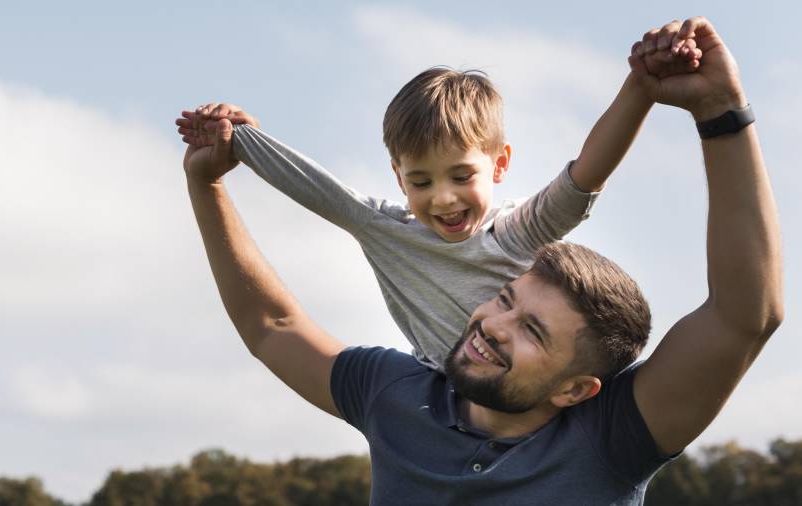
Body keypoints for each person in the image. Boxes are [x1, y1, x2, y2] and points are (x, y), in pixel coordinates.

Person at [183, 17, 783, 504]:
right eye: (504, 300)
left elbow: (743, 317)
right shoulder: (395, 397)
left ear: (577, 388)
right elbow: (273, 326)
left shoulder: (613, 438)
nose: (494, 325)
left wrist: (721, 112)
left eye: (533, 332)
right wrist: (207, 187)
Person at [176, 38, 700, 372]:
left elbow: (586, 173)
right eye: (421, 181)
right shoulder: (386, 229)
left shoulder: (517, 234)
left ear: (498, 165)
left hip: (545, 399)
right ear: (398, 178)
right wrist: (237, 137)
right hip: (445, 399)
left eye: (461, 175)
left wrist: (641, 86)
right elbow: (314, 186)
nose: (443, 198)